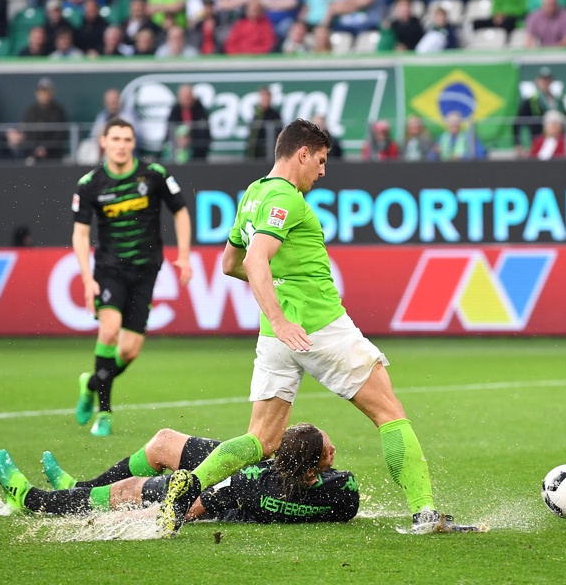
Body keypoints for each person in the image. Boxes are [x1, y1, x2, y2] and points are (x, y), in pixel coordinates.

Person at [156, 119, 483, 538]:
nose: (324, 171)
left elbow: (229, 264)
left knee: (261, 439)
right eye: (322, 160)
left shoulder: (253, 194)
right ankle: (424, 514)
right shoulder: (285, 198)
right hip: (319, 327)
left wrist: (277, 304)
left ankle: (190, 484)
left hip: (277, 340)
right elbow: (254, 261)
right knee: (389, 413)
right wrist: (281, 315)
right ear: (302, 153)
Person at [71, 117, 192, 437]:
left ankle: (91, 383)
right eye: (116, 139)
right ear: (104, 142)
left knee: (129, 351)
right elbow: (81, 235)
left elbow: (180, 210)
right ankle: (105, 412)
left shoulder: (153, 175)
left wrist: (184, 255)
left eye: (127, 139)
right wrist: (86, 278)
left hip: (146, 270)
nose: (121, 145)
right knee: (108, 332)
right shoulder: (90, 184)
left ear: (133, 143)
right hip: (109, 269)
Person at [0, 423, 359, 525]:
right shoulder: (343, 490)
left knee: (129, 491)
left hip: (230, 483)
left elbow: (201, 501)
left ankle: (32, 499)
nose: (334, 449)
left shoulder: (251, 484)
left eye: (326, 448)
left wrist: (159, 515)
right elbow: (340, 497)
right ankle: (79, 487)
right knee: (164, 442)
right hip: (253, 473)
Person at [513, 67, 565, 157]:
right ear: (537, 81)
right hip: (538, 141)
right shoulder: (530, 101)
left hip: (559, 140)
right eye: (542, 80)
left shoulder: (559, 101)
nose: (545, 83)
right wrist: (518, 144)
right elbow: (517, 123)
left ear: (551, 81)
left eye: (547, 80)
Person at [21, 77, 68, 162]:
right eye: (42, 92)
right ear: (37, 93)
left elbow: (60, 135)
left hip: (54, 155)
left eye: (47, 91)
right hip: (33, 154)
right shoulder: (31, 111)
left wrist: (45, 148)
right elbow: (27, 133)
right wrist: (36, 149)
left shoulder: (58, 111)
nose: (44, 95)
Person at [165, 84, 212, 159]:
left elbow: (204, 134)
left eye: (189, 98)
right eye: (185, 98)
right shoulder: (175, 111)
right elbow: (169, 131)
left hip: (196, 150)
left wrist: (189, 138)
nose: (187, 101)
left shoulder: (200, 111)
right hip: (176, 149)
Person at [246, 86, 283, 159]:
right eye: (262, 97)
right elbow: (252, 134)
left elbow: (279, 133)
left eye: (266, 97)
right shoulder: (256, 114)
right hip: (255, 153)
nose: (264, 99)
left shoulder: (274, 115)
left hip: (268, 153)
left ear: (270, 98)